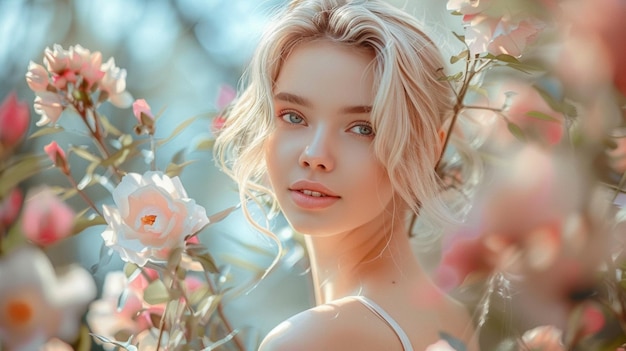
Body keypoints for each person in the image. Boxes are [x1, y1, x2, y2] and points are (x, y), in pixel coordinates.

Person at [214, 0, 478, 349]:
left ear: (428, 149)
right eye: (294, 116)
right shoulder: (463, 321)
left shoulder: (309, 340)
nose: (315, 156)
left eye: (361, 128)